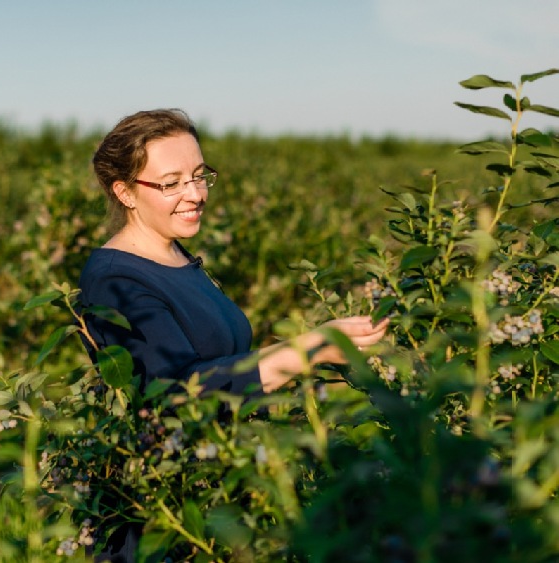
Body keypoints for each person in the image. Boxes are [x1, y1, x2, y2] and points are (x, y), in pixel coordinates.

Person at [78, 108, 389, 398]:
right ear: (125, 193)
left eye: (199, 176)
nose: (196, 194)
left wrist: (318, 340)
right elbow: (175, 394)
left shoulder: (177, 256)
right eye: (171, 183)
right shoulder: (116, 281)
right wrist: (307, 352)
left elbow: (227, 362)